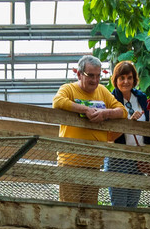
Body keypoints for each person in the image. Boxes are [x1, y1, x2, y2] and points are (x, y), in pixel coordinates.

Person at [52, 55, 127, 205]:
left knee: (89, 211)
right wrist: (86, 110)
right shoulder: (68, 89)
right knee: (69, 209)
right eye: (90, 75)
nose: (95, 80)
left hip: (93, 164)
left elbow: (122, 111)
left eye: (98, 75)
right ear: (79, 74)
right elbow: (58, 102)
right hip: (70, 163)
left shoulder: (102, 91)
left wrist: (105, 113)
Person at [106, 61, 150, 208]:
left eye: (129, 77)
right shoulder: (111, 99)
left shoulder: (141, 97)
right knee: (119, 203)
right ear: (115, 80)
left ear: (134, 79)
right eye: (122, 78)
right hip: (118, 157)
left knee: (133, 203)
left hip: (139, 157)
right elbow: (109, 136)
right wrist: (129, 123)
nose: (126, 81)